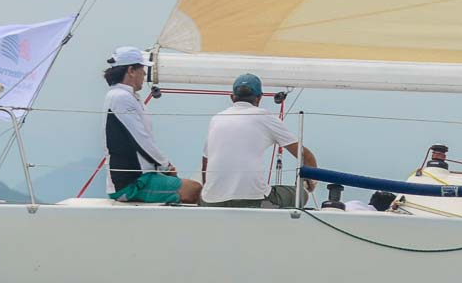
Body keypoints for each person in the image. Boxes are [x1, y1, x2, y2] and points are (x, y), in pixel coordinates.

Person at [200, 73, 318, 207]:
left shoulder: (216, 119)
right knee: (301, 195)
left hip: (211, 200)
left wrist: (210, 194)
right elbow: (305, 156)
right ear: (259, 98)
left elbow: (205, 162)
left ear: (232, 97)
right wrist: (309, 183)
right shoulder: (265, 117)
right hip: (253, 199)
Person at [102, 47, 200, 204]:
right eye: (142, 69)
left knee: (189, 189)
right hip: (132, 183)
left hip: (143, 177)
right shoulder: (120, 97)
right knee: (193, 189)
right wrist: (166, 166)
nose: (144, 74)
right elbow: (141, 140)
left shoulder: (126, 96)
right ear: (131, 71)